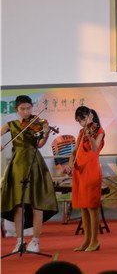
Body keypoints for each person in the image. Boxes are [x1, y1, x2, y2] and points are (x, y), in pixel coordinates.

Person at [0, 95, 58, 254]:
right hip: (17, 165)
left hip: (34, 164)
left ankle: (35, 241)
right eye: (22, 109)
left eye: (29, 108)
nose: (26, 112)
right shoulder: (10, 125)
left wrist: (46, 134)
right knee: (18, 206)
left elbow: (39, 145)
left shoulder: (37, 123)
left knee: (36, 204)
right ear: (16, 109)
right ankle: (19, 241)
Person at [67, 106, 105, 252]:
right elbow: (74, 152)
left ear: (91, 116)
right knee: (83, 206)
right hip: (79, 171)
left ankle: (95, 241)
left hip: (91, 170)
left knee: (92, 207)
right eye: (79, 121)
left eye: (83, 119)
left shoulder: (99, 131)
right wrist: (70, 164)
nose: (81, 123)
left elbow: (95, 149)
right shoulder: (81, 132)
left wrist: (90, 137)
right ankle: (86, 240)